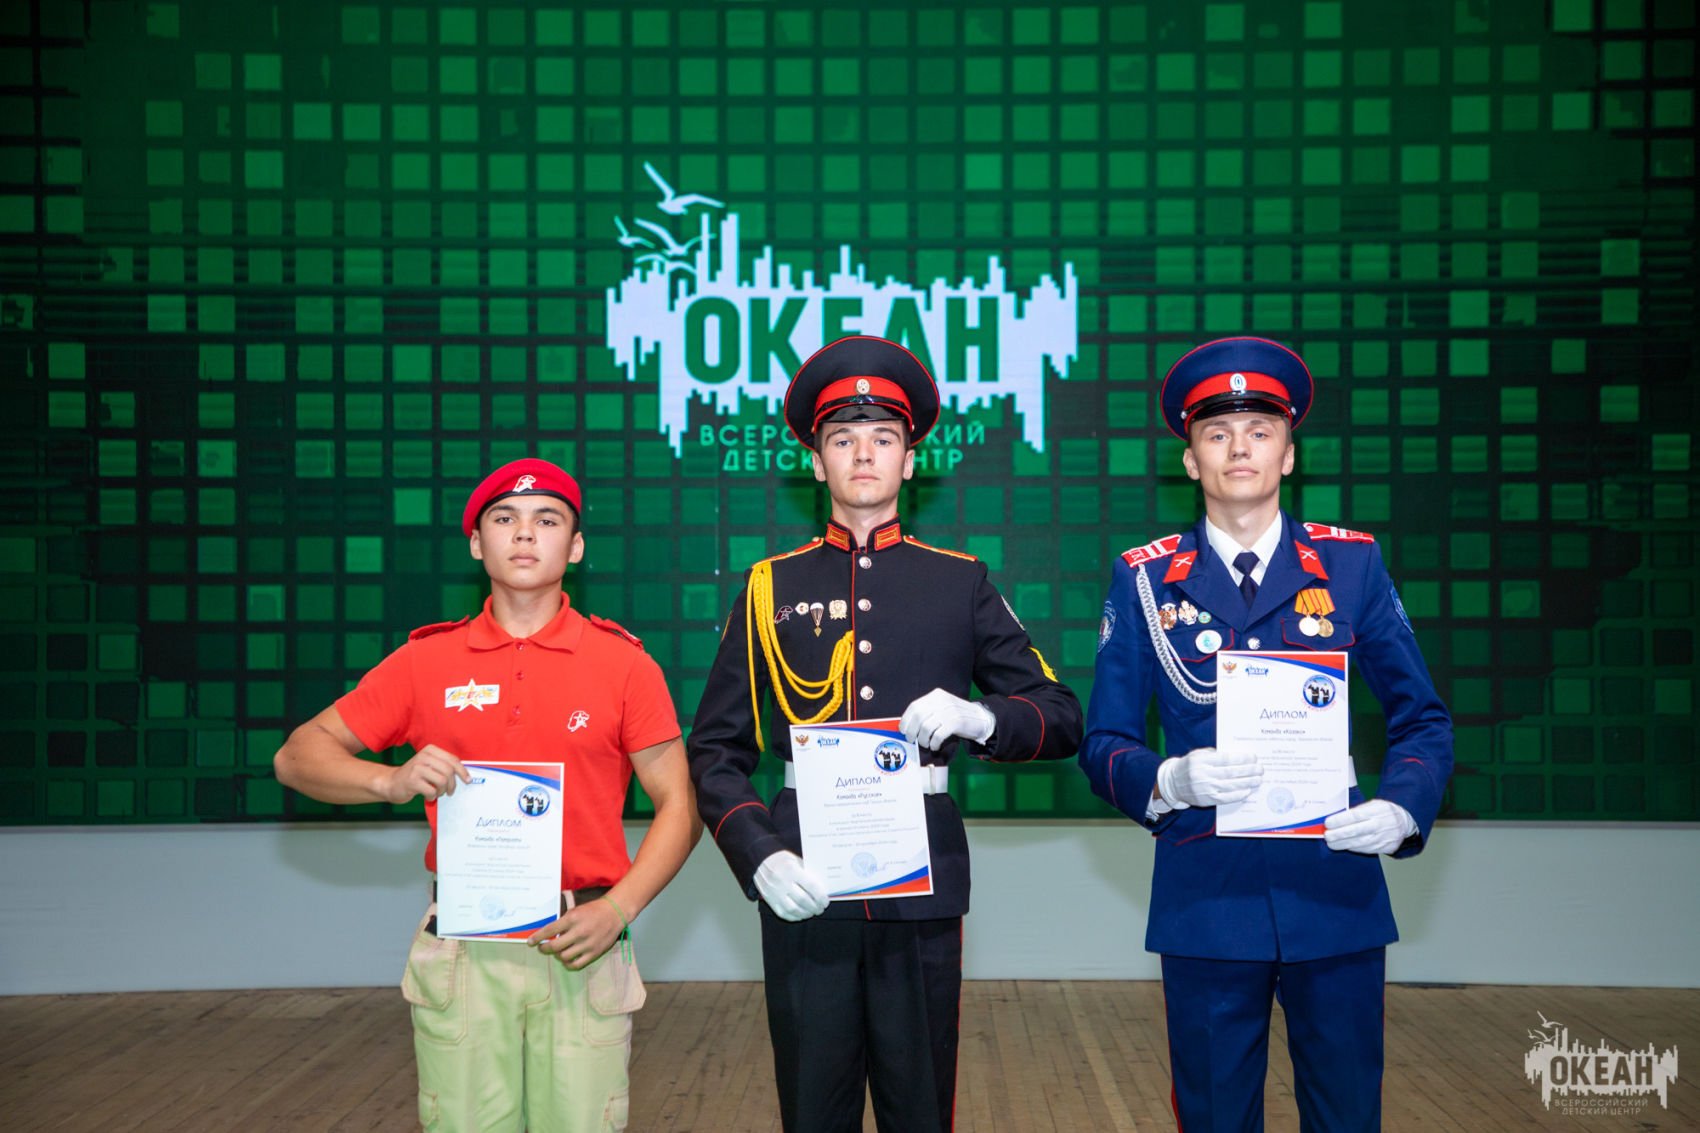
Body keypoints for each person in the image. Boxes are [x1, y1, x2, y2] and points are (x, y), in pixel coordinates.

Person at [688, 335, 1083, 1133]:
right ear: (816, 463)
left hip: (920, 883)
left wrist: (982, 718)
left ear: (911, 460)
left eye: (883, 438)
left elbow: (1060, 714)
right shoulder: (768, 585)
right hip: (803, 878)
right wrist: (758, 854)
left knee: (920, 1109)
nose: (863, 453)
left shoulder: (960, 580)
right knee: (812, 1109)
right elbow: (715, 751)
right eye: (842, 439)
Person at [1078, 337, 1453, 1131]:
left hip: (1335, 890)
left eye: (1259, 431)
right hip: (1208, 900)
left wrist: (1403, 806)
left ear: (1288, 454)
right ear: (1191, 461)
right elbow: (1103, 739)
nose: (1239, 447)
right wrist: (1169, 780)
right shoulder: (1143, 578)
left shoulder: (1351, 566)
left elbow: (1422, 716)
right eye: (1217, 433)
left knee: (1348, 1115)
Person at [274, 457, 699, 1133]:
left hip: (581, 938)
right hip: (465, 945)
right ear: (477, 543)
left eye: (547, 520)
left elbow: (681, 804)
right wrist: (388, 780)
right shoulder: (424, 661)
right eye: (505, 518)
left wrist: (618, 908)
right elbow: (298, 755)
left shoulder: (624, 665)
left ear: (575, 547)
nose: (524, 533)